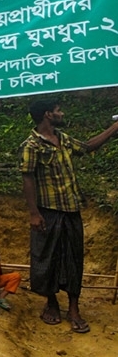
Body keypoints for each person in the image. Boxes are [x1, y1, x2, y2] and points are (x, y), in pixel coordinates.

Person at [20, 100, 118, 333]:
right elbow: (27, 179)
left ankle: (74, 308)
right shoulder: (31, 145)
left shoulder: (63, 139)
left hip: (72, 210)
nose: (62, 113)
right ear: (48, 115)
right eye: (58, 111)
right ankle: (51, 303)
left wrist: (114, 129)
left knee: (74, 259)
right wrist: (34, 213)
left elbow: (87, 147)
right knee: (47, 259)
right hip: (48, 211)